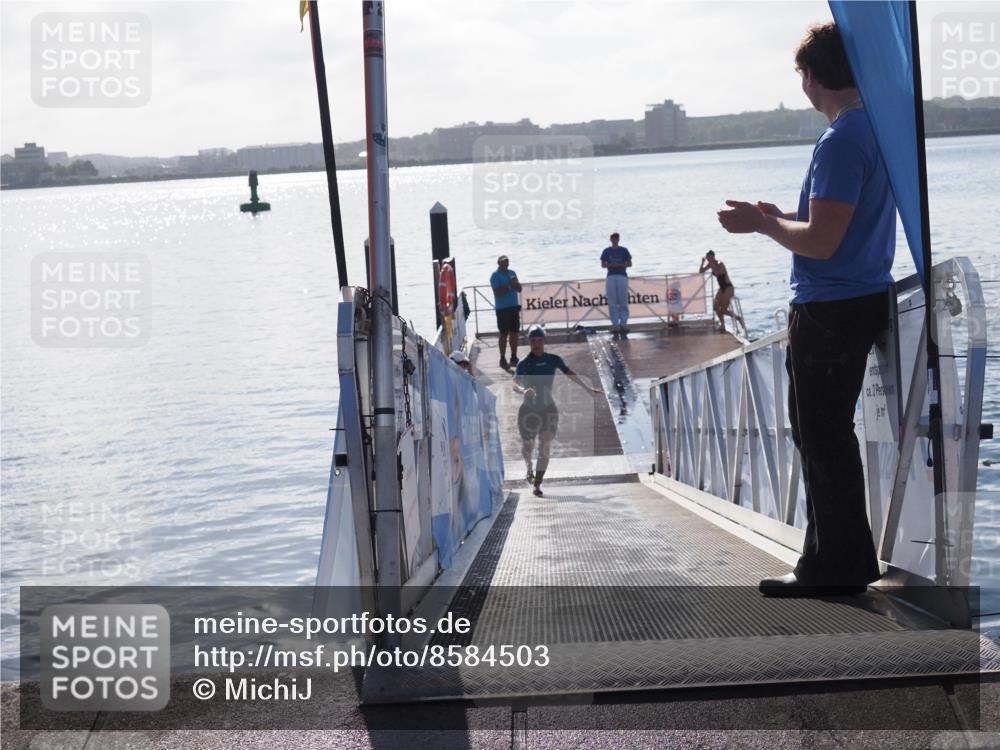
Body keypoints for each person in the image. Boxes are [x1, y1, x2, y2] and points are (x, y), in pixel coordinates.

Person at [717, 22, 895, 597]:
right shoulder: (875, 131)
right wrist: (778, 216)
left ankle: (834, 567)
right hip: (860, 296)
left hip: (831, 307)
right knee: (826, 435)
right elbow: (834, 226)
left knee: (821, 436)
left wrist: (763, 224)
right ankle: (834, 560)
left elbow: (822, 242)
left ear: (813, 78)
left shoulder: (842, 139)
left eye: (802, 75)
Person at [513, 328, 603, 497]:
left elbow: (570, 373)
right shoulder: (524, 363)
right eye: (533, 341)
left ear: (544, 342)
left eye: (539, 341)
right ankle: (529, 467)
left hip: (548, 409)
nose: (536, 344)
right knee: (528, 446)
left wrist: (587, 388)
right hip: (528, 410)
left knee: (545, 445)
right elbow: (514, 383)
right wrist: (522, 390)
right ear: (529, 343)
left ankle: (537, 484)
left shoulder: (553, 360)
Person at [699, 250, 745, 333]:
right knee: (715, 307)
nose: (709, 259)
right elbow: (700, 272)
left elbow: (719, 274)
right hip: (721, 288)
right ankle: (723, 325)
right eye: (707, 258)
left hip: (728, 288)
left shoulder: (720, 264)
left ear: (713, 257)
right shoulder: (710, 264)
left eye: (710, 257)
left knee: (724, 310)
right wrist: (702, 263)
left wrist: (712, 265)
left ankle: (738, 318)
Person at [490, 255, 522, 370]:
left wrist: (516, 285)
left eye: (507, 261)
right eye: (503, 262)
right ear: (498, 263)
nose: (506, 263)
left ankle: (514, 356)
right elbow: (497, 292)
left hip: (513, 306)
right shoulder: (495, 275)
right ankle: (502, 358)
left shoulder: (512, 273)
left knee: (514, 332)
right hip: (502, 309)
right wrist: (509, 285)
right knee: (503, 333)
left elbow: (519, 289)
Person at [600, 233, 632, 335]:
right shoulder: (606, 251)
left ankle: (623, 324)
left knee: (623, 300)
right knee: (612, 301)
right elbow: (603, 265)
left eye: (616, 238)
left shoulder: (624, 250)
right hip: (611, 276)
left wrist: (620, 264)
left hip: (622, 275)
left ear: (618, 239)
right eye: (613, 238)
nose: (615, 240)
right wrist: (610, 264)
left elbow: (630, 263)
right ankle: (615, 325)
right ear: (610, 239)